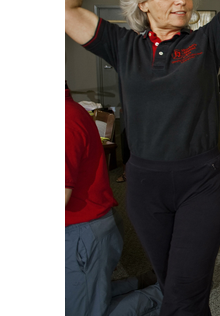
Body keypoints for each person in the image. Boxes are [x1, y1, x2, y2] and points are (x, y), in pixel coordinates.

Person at [65, 0, 220, 315]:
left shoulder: (205, 43)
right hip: (144, 185)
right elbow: (61, 6)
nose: (181, 0)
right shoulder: (123, 47)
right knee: (174, 285)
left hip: (200, 182)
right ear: (143, 4)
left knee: (184, 294)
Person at [65, 85, 163, 316]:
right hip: (82, 227)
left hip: (82, 230)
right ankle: (141, 283)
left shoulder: (63, 121)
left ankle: (167, 295)